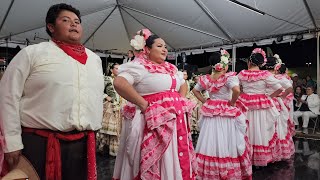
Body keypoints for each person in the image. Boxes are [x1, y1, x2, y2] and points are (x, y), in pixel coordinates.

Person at [0, 3, 104, 180]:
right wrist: (12, 142)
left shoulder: (94, 59)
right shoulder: (32, 53)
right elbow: (8, 97)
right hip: (38, 143)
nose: (74, 24)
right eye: (66, 20)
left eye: (77, 21)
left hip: (83, 144)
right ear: (51, 27)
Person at [112, 29, 197, 180]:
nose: (164, 49)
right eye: (159, 46)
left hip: (174, 120)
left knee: (173, 156)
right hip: (153, 121)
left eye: (165, 46)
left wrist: (181, 101)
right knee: (159, 157)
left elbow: (182, 83)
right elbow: (119, 82)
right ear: (147, 49)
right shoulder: (140, 66)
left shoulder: (171, 68)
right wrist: (144, 105)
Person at [193, 50, 252, 179]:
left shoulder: (207, 78)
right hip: (226, 110)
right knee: (227, 138)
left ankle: (210, 170)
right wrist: (232, 102)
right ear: (223, 64)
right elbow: (236, 91)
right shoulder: (229, 77)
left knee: (210, 138)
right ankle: (225, 168)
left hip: (211, 109)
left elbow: (195, 91)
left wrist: (206, 101)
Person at [238, 48, 283, 167]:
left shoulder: (242, 74)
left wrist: (243, 91)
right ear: (261, 63)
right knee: (259, 129)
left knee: (247, 128)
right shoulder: (265, 74)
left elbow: (236, 88)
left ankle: (246, 156)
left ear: (249, 61)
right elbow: (280, 88)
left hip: (245, 102)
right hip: (260, 103)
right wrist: (269, 97)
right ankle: (258, 159)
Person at [264, 55, 294, 160]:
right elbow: (290, 88)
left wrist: (280, 96)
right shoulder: (274, 77)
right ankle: (277, 151)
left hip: (267, 102)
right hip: (273, 102)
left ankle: (269, 152)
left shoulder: (265, 76)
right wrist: (281, 96)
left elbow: (289, 88)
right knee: (277, 126)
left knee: (270, 126)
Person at [96, 63, 123, 156]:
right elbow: (98, 90)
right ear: (111, 70)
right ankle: (104, 148)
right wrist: (106, 96)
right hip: (110, 106)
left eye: (120, 68)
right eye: (116, 68)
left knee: (118, 128)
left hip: (119, 106)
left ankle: (115, 150)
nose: (118, 70)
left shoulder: (121, 80)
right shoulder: (107, 79)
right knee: (110, 128)